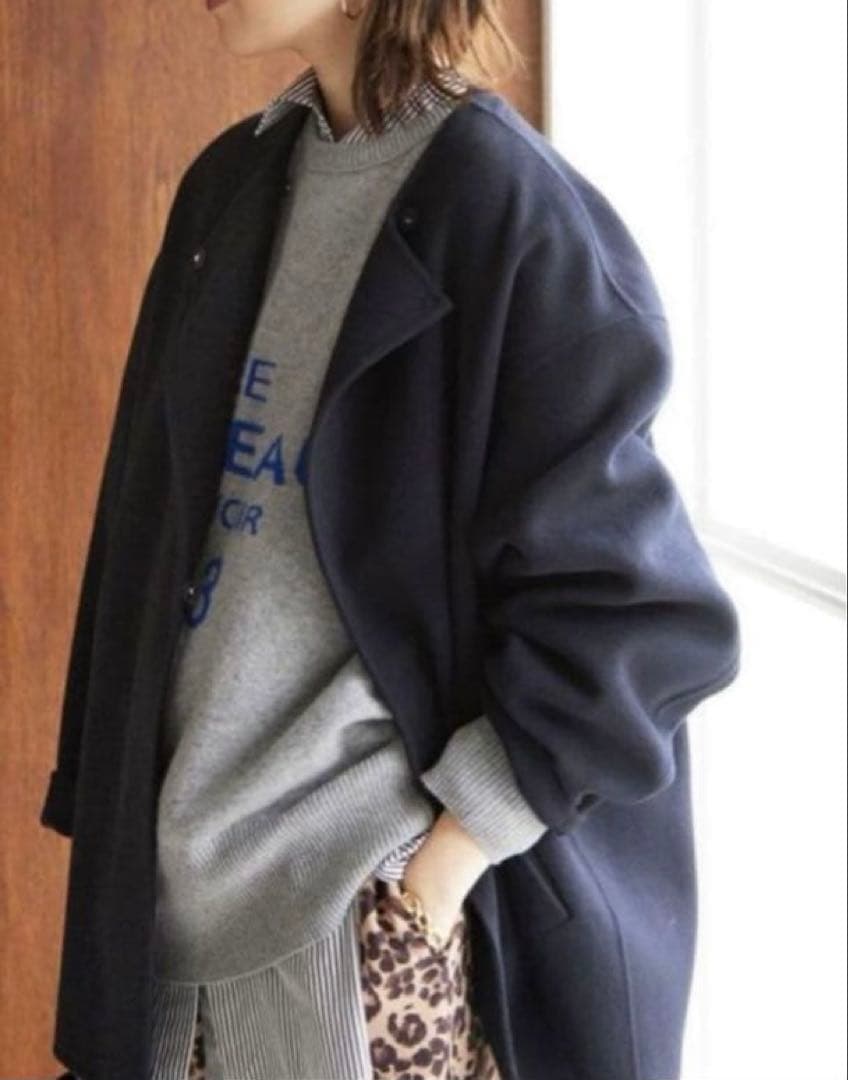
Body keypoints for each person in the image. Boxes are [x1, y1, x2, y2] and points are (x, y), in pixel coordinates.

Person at [41, 0, 742, 1077]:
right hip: (172, 910)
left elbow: (642, 613)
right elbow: (140, 538)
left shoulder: (510, 210)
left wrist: (437, 869)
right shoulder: (230, 185)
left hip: (354, 922)